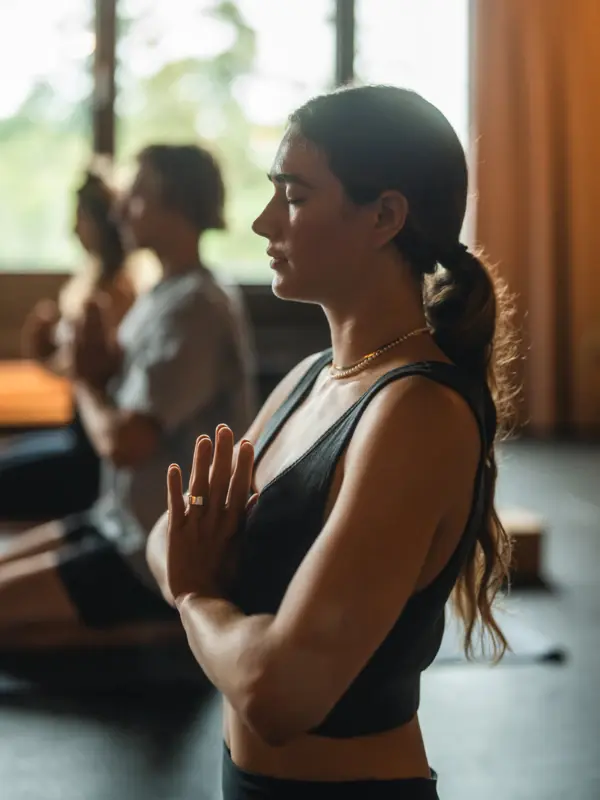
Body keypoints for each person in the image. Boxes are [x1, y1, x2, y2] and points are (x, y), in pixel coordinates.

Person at [146, 86, 517, 800]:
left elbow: (279, 692)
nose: (261, 222)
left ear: (384, 216)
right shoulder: (310, 379)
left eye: (292, 197)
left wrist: (197, 594)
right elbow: (164, 535)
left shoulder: (416, 416)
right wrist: (206, 591)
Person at [0, 144, 256, 641]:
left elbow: (125, 442)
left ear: (175, 203)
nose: (119, 210)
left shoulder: (197, 307)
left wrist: (82, 376)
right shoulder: (164, 295)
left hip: (151, 557)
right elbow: (114, 383)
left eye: (136, 196)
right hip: (115, 520)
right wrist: (72, 360)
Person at [0, 170, 136, 520]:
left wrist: (50, 355)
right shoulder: (93, 280)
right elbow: (77, 364)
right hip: (78, 430)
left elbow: (96, 371)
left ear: (100, 224)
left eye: (80, 220)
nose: (73, 231)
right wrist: (45, 353)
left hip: (93, 450)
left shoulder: (116, 292)